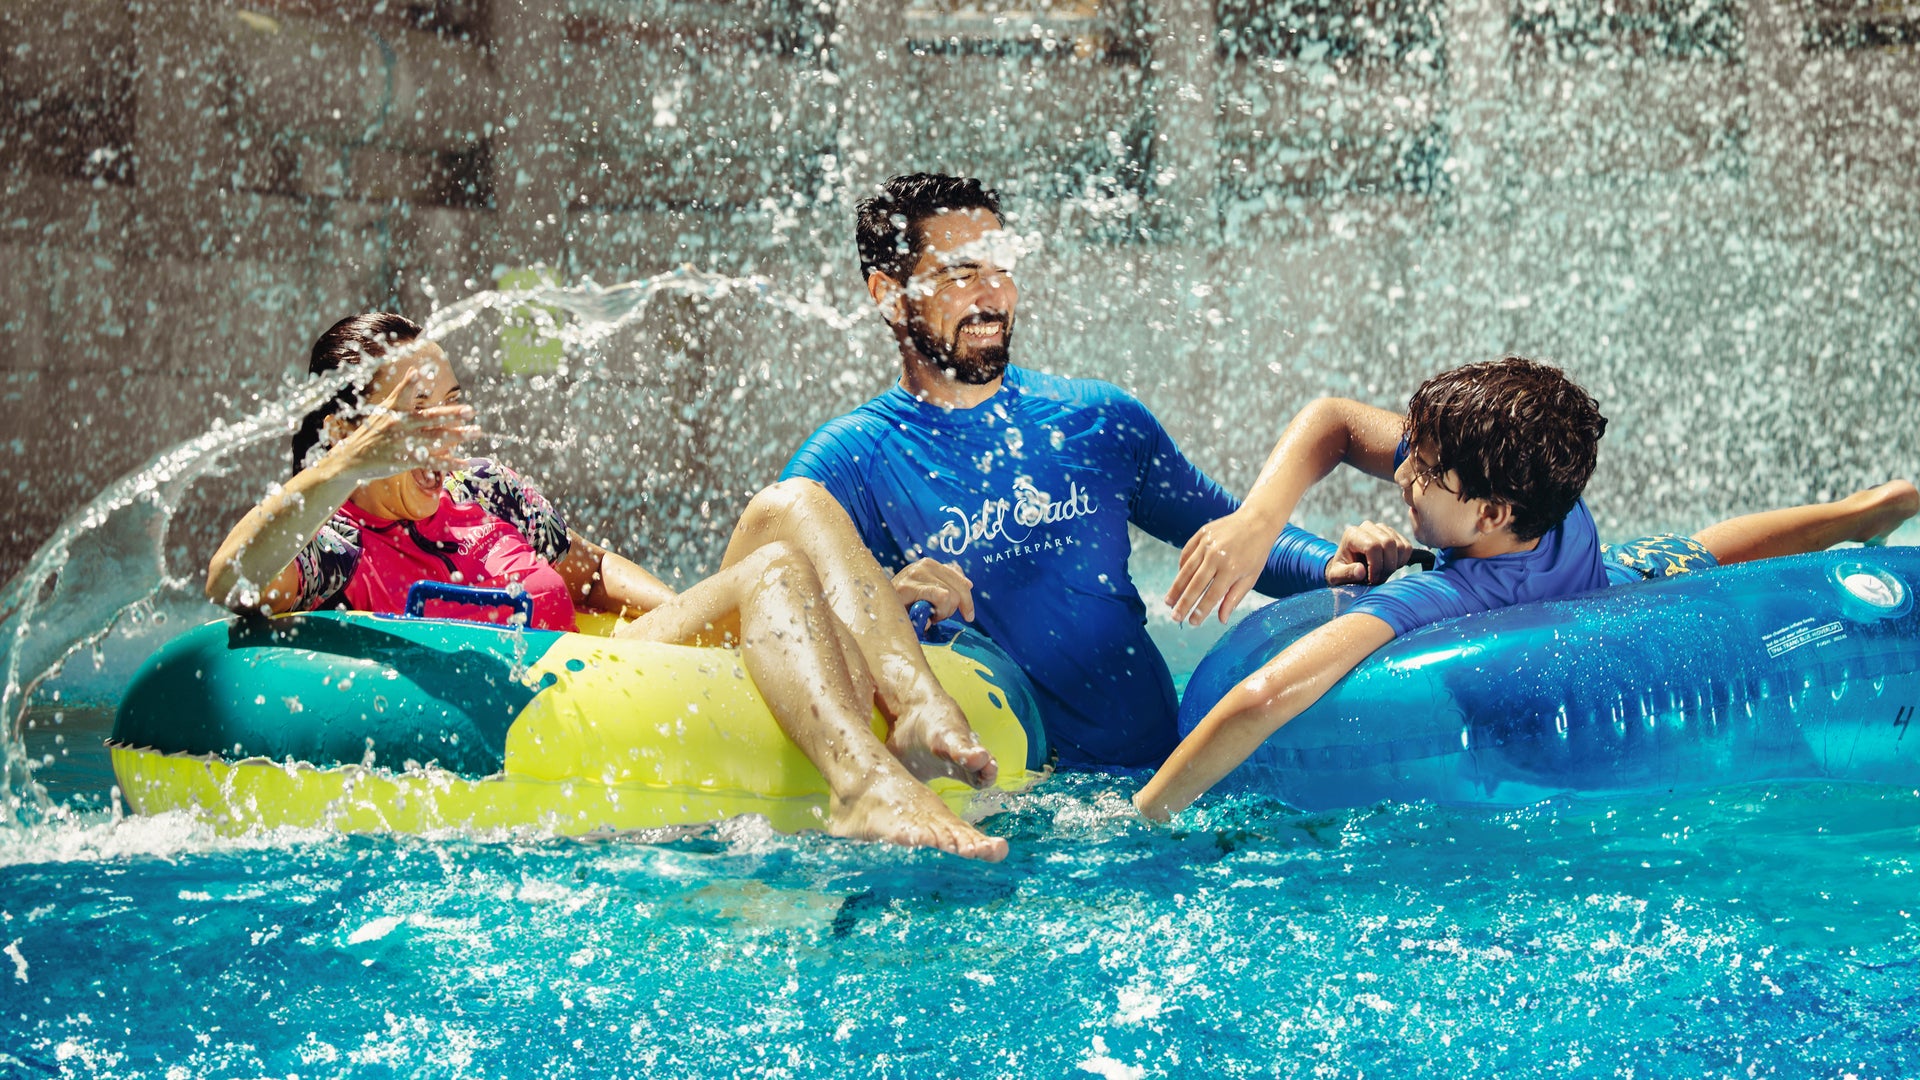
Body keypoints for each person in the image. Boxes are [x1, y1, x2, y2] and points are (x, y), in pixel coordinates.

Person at [206, 312, 1009, 861]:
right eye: (417, 416)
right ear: (352, 430)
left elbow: (587, 573)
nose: (448, 432)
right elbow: (232, 582)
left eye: (452, 405)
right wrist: (347, 467)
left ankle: (917, 706)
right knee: (771, 571)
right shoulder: (341, 538)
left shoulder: (485, 492)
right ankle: (861, 789)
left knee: (789, 512)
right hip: (532, 714)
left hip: (608, 674)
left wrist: (751, 619)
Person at [780, 173, 1400, 770]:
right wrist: (883, 604)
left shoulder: (1098, 419)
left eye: (1001, 270)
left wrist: (1333, 567)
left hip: (1160, 788)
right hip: (1015, 812)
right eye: (961, 275)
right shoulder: (848, 463)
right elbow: (761, 616)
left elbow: (1230, 534)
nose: (991, 295)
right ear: (888, 295)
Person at [1135, 355, 1919, 818]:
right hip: (1605, 584)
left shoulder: (1442, 600)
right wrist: (1262, 522)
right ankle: (1858, 514)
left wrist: (1146, 813)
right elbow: (1339, 420)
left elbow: (1263, 699)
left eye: (1424, 470)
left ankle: (1858, 513)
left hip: (1557, 691)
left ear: (1490, 511)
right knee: (1694, 553)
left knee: (1695, 555)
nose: (1402, 472)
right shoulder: (1555, 503)